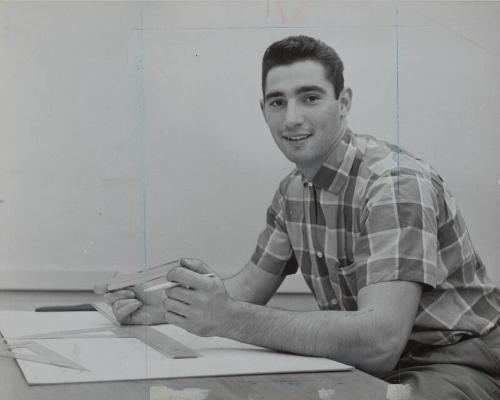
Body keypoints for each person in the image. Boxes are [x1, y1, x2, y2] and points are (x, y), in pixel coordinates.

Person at [105, 35, 500, 399]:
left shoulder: (394, 186)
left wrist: (227, 318)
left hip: (455, 360)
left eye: (309, 98)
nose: (291, 118)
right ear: (264, 111)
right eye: (278, 102)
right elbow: (244, 288)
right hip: (374, 365)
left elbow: (380, 341)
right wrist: (161, 308)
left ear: (343, 102)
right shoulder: (292, 190)